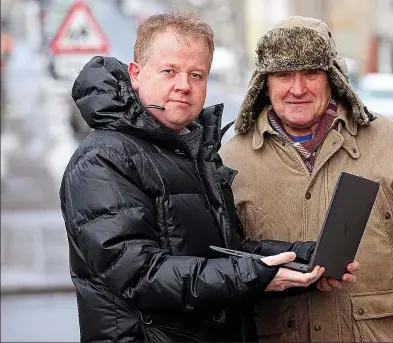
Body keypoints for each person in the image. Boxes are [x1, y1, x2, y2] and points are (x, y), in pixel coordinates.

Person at [59, 13, 358, 343]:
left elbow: (226, 253)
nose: (183, 86)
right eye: (169, 71)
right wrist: (254, 276)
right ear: (136, 74)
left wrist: (304, 260)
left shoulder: (190, 151)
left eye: (196, 74)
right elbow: (141, 275)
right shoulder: (102, 159)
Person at [220, 16, 393, 343]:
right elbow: (220, 271)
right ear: (264, 83)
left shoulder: (391, 144)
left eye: (311, 73)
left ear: (332, 78)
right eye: (283, 74)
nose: (298, 89)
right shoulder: (231, 161)